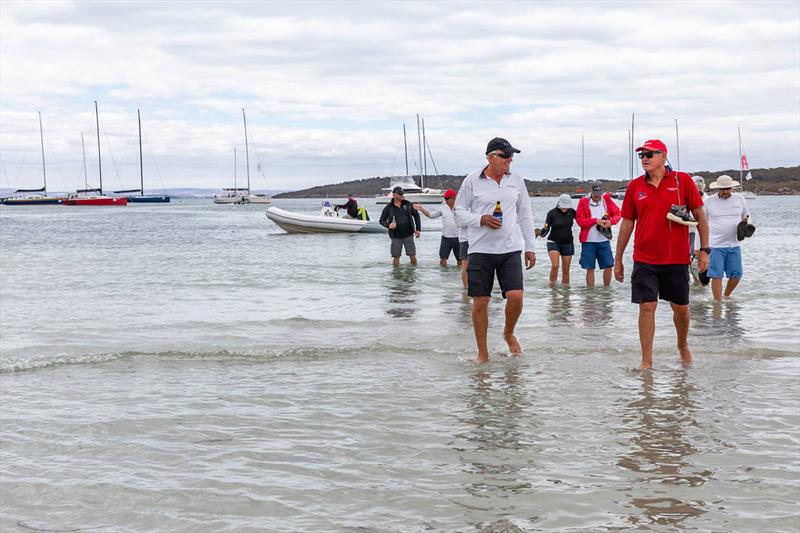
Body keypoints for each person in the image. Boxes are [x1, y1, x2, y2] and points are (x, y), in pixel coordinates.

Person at [613, 139, 709, 369]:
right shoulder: (635, 187)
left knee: (682, 309)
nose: (644, 158)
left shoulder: (682, 181)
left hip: (676, 258)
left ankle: (682, 345)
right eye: (641, 155)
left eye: (649, 154)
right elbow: (627, 224)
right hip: (644, 258)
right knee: (647, 306)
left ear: (663, 156)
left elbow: (700, 216)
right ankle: (646, 359)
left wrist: (704, 251)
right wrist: (617, 259)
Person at [454, 137, 537, 363]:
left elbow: (525, 214)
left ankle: (508, 333)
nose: (510, 160)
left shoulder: (516, 180)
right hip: (480, 249)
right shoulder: (472, 181)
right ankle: (483, 352)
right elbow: (458, 213)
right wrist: (481, 219)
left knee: (516, 297)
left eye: (512, 157)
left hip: (510, 248)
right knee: (481, 302)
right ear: (492, 157)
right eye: (506, 156)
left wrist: (530, 246)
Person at [704, 174, 751, 301]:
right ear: (717, 189)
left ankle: (726, 296)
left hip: (734, 244)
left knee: (737, 274)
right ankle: (717, 303)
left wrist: (746, 224)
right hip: (715, 245)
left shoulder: (740, 199)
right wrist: (701, 247)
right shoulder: (708, 201)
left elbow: (746, 216)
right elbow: (702, 223)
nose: (725, 191)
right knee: (716, 275)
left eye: (728, 188)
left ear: (732, 188)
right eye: (722, 189)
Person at [576, 180, 621, 287]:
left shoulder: (606, 200)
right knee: (590, 268)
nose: (597, 196)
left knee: (609, 266)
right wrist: (595, 221)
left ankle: (606, 292)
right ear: (591, 190)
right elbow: (580, 221)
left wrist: (611, 222)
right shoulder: (583, 202)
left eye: (599, 194)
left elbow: (618, 213)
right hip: (588, 241)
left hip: (604, 240)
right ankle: (590, 296)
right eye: (595, 194)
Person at [414, 189, 461, 267]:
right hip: (446, 238)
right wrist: (422, 209)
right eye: (444, 198)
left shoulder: (461, 208)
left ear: (453, 198)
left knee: (460, 260)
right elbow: (431, 215)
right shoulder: (443, 208)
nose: (445, 200)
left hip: (458, 238)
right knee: (443, 259)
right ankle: (444, 276)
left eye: (447, 198)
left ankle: (459, 277)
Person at [379, 186, 421, 266]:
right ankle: (396, 276)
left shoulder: (408, 204)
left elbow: (416, 215)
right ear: (394, 195)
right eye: (400, 194)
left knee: (412, 255)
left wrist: (418, 229)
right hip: (395, 236)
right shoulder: (389, 207)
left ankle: (413, 273)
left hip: (408, 234)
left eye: (402, 193)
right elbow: (381, 220)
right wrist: (389, 225)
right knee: (396, 256)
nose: (402, 195)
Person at [541, 193, 576, 286]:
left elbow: (583, 221)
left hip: (568, 242)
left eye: (567, 206)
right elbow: (546, 227)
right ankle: (552, 290)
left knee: (566, 270)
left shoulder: (572, 212)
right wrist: (540, 233)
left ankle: (566, 295)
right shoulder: (552, 213)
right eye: (563, 206)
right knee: (555, 265)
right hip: (553, 241)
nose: (565, 208)